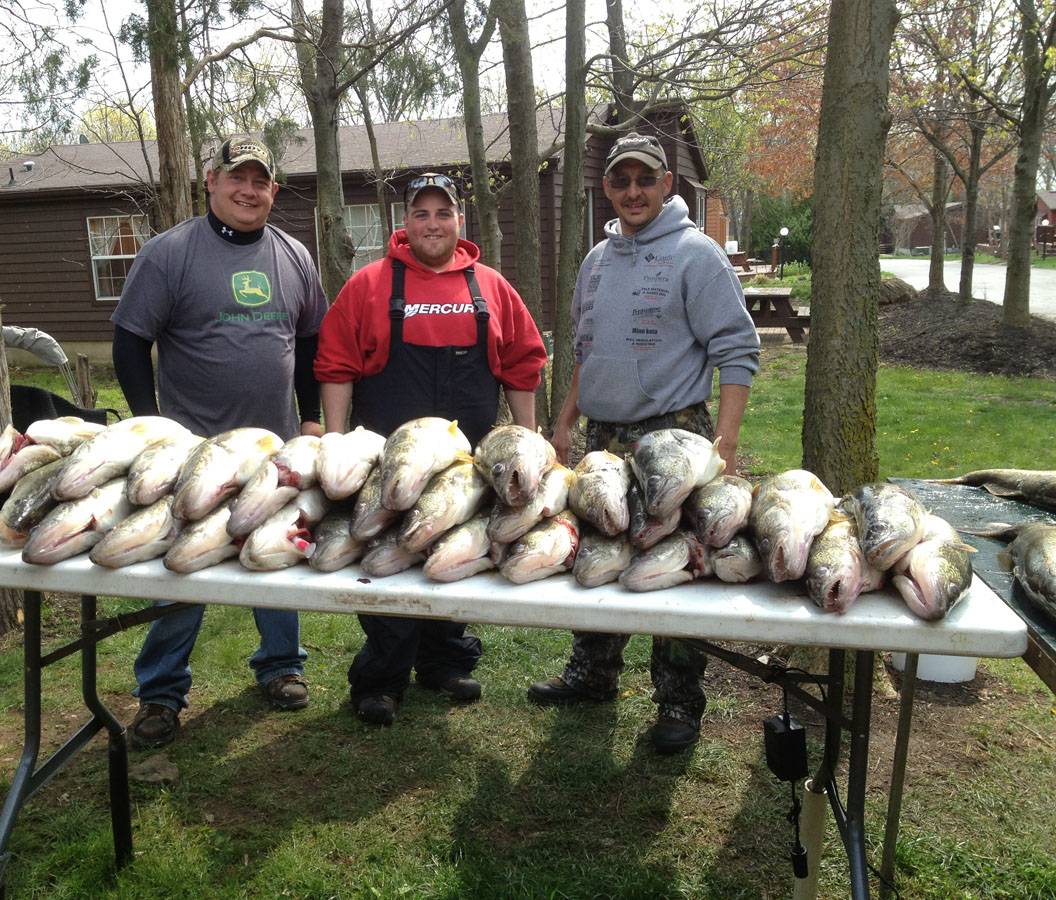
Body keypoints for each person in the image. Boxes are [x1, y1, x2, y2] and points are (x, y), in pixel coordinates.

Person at [527, 132, 760, 754]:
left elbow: (737, 351)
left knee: (675, 563)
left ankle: (679, 700)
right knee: (598, 548)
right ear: (606, 188)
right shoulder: (596, 261)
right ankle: (593, 673)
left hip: (673, 434)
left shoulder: (697, 255)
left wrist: (726, 441)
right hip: (602, 438)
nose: (633, 191)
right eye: (620, 180)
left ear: (666, 185)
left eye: (644, 180)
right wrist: (563, 421)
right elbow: (584, 351)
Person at [111, 136, 329, 749]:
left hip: (275, 449)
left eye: (261, 181)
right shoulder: (169, 253)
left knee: (277, 555)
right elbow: (130, 341)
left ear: (274, 191)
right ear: (211, 181)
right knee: (181, 568)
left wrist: (310, 418)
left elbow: (312, 342)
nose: (249, 190)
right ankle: (160, 693)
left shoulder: (293, 257)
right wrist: (152, 426)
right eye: (237, 177)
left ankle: (282, 666)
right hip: (193, 453)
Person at [315, 173, 547, 726]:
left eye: (443, 213)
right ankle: (382, 679)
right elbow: (336, 363)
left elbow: (521, 363)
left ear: (459, 220)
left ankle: (443, 661)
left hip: (467, 463)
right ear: (405, 224)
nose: (433, 224)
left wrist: (529, 437)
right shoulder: (369, 285)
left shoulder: (490, 286)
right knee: (387, 562)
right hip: (390, 460)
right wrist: (336, 437)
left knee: (453, 553)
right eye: (421, 214)